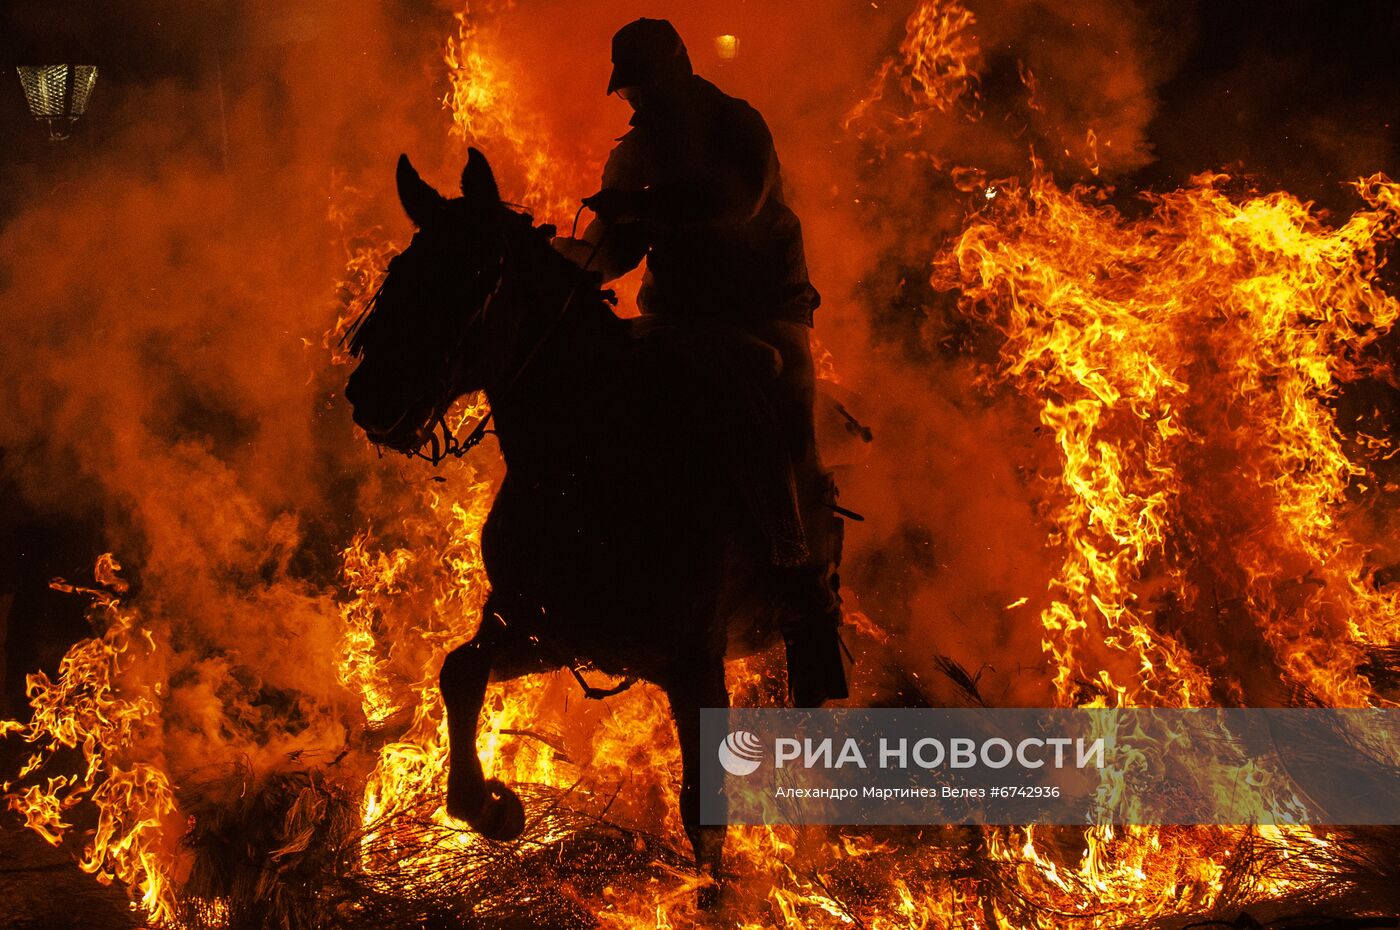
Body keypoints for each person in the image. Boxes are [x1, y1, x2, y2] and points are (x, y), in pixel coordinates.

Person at [553, 17, 847, 706]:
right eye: (631, 94)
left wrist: (642, 205)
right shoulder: (634, 157)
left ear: (679, 71)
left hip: (763, 309)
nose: (638, 104)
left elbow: (736, 203)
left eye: (644, 88)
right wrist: (564, 265)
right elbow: (615, 252)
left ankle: (800, 579)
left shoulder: (737, 127)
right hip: (678, 316)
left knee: (782, 422)